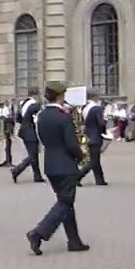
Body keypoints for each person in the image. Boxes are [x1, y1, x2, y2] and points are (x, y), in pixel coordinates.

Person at [24, 82, 90, 256]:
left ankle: (74, 241)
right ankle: (38, 234)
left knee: (65, 202)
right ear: (61, 95)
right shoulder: (64, 116)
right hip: (66, 165)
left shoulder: (41, 115)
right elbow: (70, 144)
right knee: (65, 202)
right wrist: (81, 154)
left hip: (50, 164)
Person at [11, 87, 44, 183]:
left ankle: (37, 175)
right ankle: (16, 170)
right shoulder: (35, 105)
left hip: (24, 131)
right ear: (36, 95)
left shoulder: (23, 103)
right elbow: (38, 120)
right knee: (33, 155)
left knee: (33, 154)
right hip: (31, 132)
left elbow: (18, 118)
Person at [77, 90, 109, 186]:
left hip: (87, 135)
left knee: (95, 159)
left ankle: (99, 179)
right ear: (94, 96)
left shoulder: (84, 107)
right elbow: (101, 123)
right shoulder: (96, 108)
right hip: (95, 136)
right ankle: (77, 176)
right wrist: (104, 129)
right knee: (93, 161)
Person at [0, 100, 14, 167]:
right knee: (6, 145)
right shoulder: (0, 109)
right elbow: (0, 116)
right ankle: (7, 159)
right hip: (3, 122)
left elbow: (8, 116)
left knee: (7, 143)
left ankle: (8, 160)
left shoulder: (6, 109)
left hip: (6, 123)